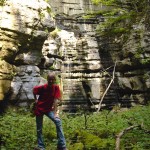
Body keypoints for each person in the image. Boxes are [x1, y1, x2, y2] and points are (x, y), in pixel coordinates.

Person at [33, 73, 67, 150]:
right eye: (49, 79)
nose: (51, 81)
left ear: (55, 80)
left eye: (52, 79)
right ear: (47, 80)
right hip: (39, 109)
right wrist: (35, 100)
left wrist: (55, 113)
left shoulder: (56, 88)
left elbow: (55, 101)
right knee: (39, 128)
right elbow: (34, 90)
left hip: (48, 109)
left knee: (58, 121)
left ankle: (62, 145)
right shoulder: (43, 87)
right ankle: (41, 146)